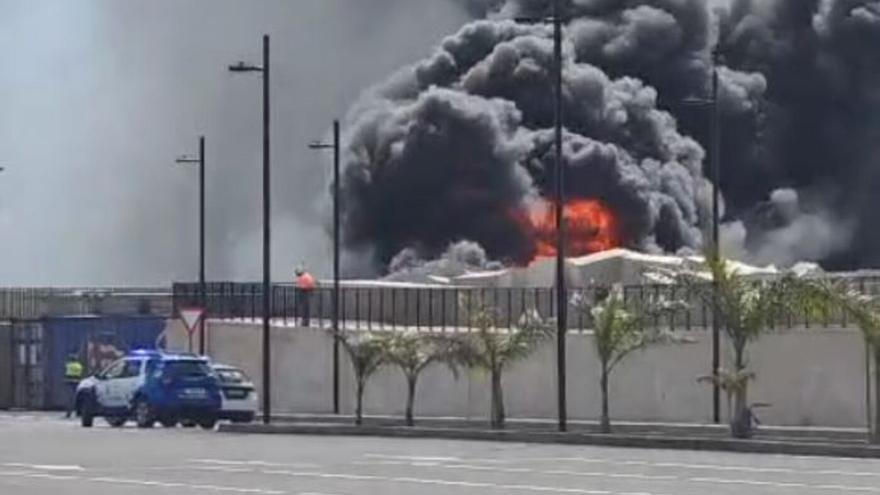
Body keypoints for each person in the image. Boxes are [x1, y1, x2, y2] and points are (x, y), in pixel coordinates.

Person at [64, 353, 84, 418]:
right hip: (77, 382)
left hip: (69, 382)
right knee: (77, 398)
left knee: (69, 399)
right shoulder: (79, 366)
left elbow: (65, 371)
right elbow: (81, 373)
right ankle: (78, 412)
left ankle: (68, 413)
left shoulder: (68, 365)